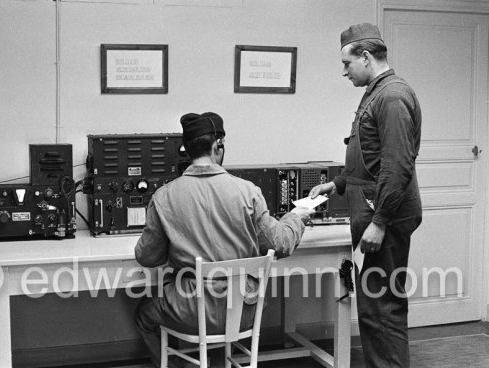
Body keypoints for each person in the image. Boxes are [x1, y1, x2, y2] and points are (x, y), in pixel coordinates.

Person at [134, 112, 313, 368]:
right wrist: (297, 216)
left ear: (187, 150)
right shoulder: (248, 192)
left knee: (144, 314)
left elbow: (147, 257)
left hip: (190, 312)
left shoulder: (164, 197)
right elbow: (281, 243)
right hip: (243, 312)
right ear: (219, 145)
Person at [309, 23, 422, 368]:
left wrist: (379, 222)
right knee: (374, 308)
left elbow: (397, 166)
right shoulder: (377, 91)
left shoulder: (391, 96)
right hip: (375, 213)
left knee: (382, 309)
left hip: (382, 217)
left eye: (347, 63)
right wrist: (338, 183)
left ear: (366, 56)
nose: (344, 72)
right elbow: (370, 156)